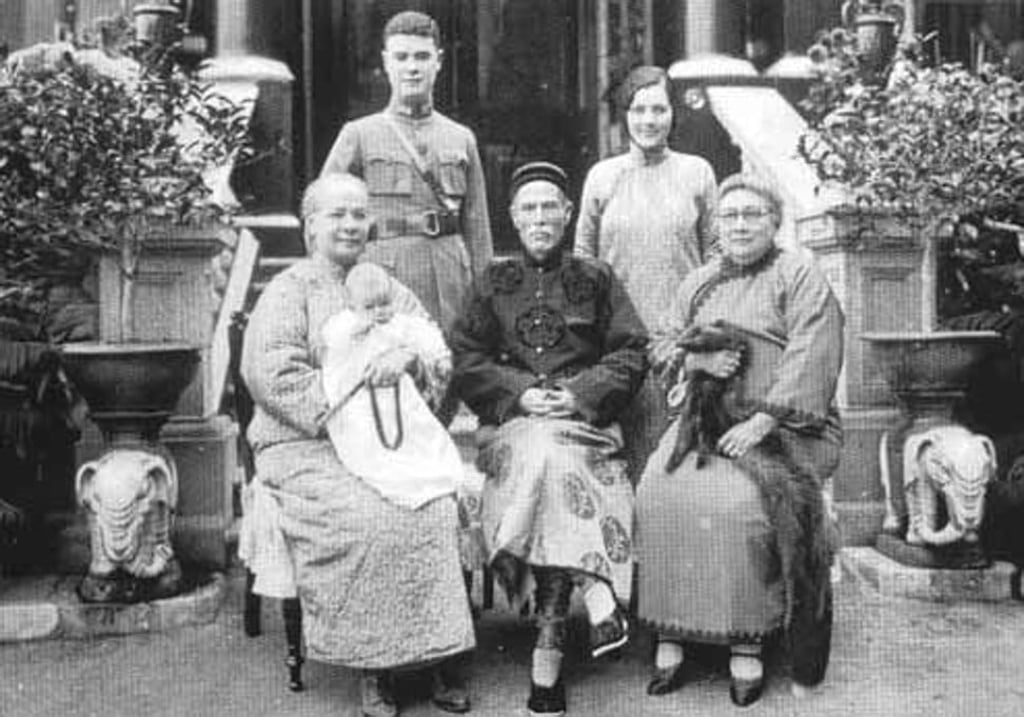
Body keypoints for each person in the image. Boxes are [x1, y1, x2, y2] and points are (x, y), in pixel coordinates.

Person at [241, 173, 474, 717]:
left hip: (386, 442)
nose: (350, 225)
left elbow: (433, 349)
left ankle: (434, 655)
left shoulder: (387, 285)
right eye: (336, 215)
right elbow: (270, 371)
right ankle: (377, 666)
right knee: (369, 515)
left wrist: (408, 361)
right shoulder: (290, 289)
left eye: (358, 214)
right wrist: (345, 406)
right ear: (311, 226)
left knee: (433, 501)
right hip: (305, 443)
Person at [636, 175, 843, 706]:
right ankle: (673, 628)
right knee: (658, 491)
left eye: (753, 214)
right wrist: (692, 358)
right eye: (730, 216)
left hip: (787, 428)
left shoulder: (799, 276)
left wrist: (764, 421)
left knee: (736, 506)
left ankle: (746, 638)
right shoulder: (700, 282)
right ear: (717, 227)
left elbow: (812, 355)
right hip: (705, 424)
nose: (741, 225)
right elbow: (660, 341)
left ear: (775, 222)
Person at [450, 161, 648, 717]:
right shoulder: (491, 281)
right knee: (540, 453)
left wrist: (578, 393)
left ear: (567, 214)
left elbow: (632, 350)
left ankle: (552, 638)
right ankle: (586, 588)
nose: (540, 217)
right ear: (514, 218)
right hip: (514, 424)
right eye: (528, 208)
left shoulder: (597, 277)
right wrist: (519, 391)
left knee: (553, 458)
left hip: (583, 424)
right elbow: (465, 355)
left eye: (549, 207)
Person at [575, 65, 718, 481]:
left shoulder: (697, 172)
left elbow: (715, 255)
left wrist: (695, 331)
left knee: (676, 455)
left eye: (659, 109)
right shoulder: (603, 176)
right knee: (628, 451)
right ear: (625, 115)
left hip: (680, 338)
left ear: (673, 114)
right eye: (639, 110)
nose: (649, 120)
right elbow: (584, 257)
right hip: (619, 339)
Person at [320, 10, 492, 336]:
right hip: (385, 278)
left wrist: (485, 298)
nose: (412, 67)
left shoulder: (460, 138)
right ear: (386, 62)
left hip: (449, 278)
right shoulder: (358, 135)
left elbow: (478, 227)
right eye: (401, 57)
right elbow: (321, 214)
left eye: (422, 57)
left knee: (450, 368)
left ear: (438, 61)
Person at [320, 262, 464, 509]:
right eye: (369, 306)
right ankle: (385, 476)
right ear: (352, 305)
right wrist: (357, 329)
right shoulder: (345, 324)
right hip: (362, 402)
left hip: (400, 399)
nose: (379, 312)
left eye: (384, 303)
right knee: (366, 440)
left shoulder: (399, 324)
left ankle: (426, 477)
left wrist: (438, 357)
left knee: (421, 435)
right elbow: (332, 342)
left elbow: (424, 335)